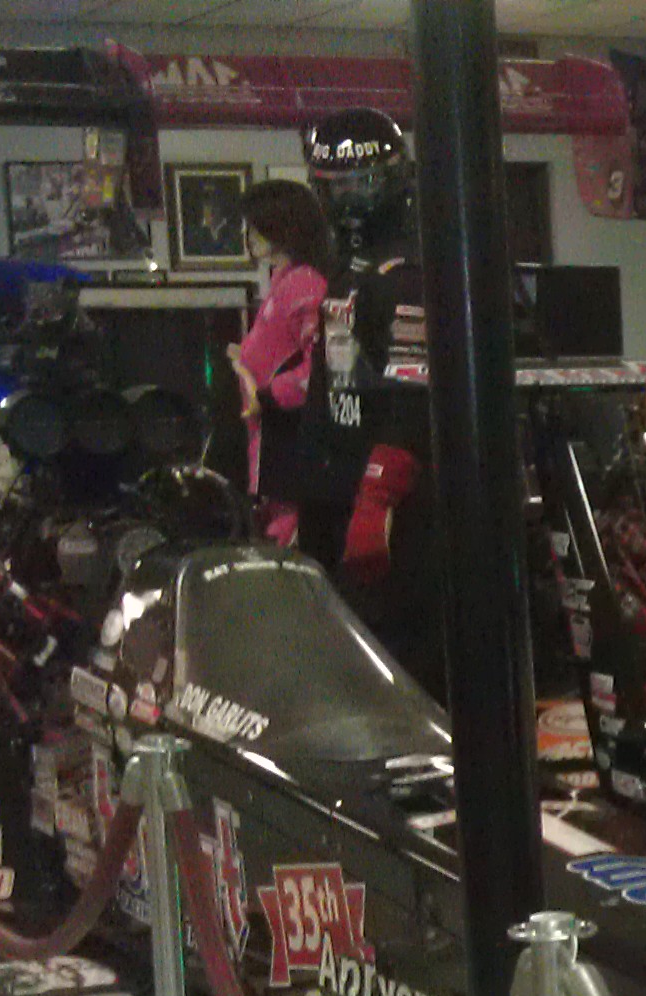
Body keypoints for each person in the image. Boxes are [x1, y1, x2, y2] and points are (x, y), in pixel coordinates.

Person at [298, 108, 444, 695]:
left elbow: (414, 388)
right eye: (336, 187)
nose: (350, 200)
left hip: (395, 501)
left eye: (362, 183)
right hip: (339, 479)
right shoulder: (347, 270)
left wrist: (378, 494)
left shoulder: (407, 269)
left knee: (398, 667)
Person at [232, 178, 335, 553]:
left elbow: (320, 367)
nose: (248, 235)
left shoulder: (305, 284)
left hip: (290, 439)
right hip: (269, 436)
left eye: (256, 226)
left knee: (286, 542)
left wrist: (267, 395)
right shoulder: (284, 280)